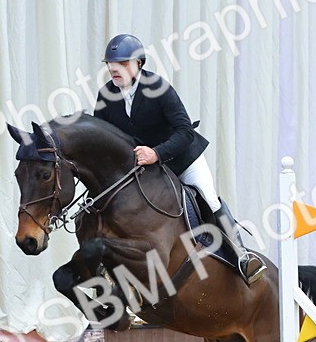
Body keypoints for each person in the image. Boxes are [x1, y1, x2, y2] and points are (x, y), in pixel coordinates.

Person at [92, 34, 266, 284]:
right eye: (110, 64)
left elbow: (184, 130)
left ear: (139, 64)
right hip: (141, 169)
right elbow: (102, 136)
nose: (113, 69)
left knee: (208, 197)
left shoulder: (158, 88)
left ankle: (242, 256)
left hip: (181, 159)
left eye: (121, 63)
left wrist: (156, 153)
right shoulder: (106, 94)